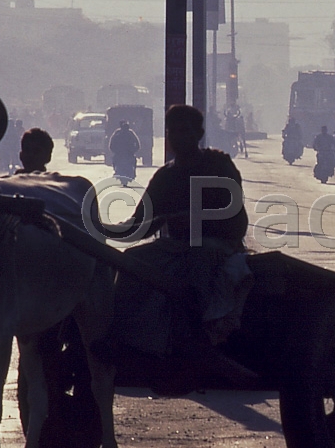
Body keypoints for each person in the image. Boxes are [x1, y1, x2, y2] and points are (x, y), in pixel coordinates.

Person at [97, 105, 254, 384]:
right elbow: (139, 224)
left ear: (199, 134)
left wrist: (187, 220)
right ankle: (117, 338)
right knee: (131, 261)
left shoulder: (220, 165)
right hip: (175, 249)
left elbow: (236, 221)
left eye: (185, 131)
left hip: (218, 246)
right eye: (173, 132)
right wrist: (100, 229)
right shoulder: (165, 176)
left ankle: (201, 342)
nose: (178, 138)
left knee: (199, 259)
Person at [108, 119, 141, 184]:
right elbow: (111, 144)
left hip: (128, 154)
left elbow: (137, 144)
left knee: (133, 162)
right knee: (115, 160)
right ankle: (118, 172)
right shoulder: (119, 133)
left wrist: (133, 151)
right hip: (121, 154)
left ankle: (132, 173)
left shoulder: (126, 133)